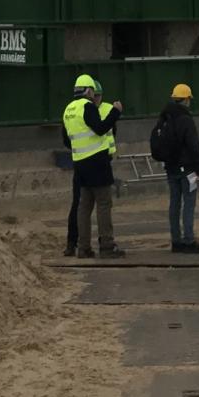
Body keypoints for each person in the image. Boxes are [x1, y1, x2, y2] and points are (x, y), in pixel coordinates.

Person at [62, 73, 123, 258]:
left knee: (84, 206)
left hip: (80, 163)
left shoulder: (68, 110)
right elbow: (101, 128)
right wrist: (115, 112)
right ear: (88, 90)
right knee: (104, 204)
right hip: (97, 162)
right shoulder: (87, 107)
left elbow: (67, 140)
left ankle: (83, 247)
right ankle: (106, 246)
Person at [155, 83, 199, 253]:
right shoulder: (185, 120)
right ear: (186, 100)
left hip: (171, 168)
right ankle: (189, 240)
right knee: (189, 203)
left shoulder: (164, 118)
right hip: (188, 170)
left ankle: (176, 240)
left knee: (174, 204)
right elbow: (194, 146)